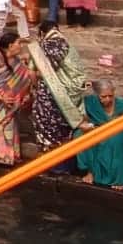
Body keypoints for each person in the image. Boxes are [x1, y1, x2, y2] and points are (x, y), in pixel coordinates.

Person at [26, 21, 87, 165]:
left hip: (51, 92)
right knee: (64, 127)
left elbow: (32, 74)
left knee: (46, 122)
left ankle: (50, 161)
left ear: (41, 33)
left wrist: (35, 88)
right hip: (73, 90)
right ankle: (65, 162)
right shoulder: (67, 44)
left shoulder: (42, 47)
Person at [0, 32, 33, 165]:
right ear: (10, 45)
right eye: (18, 43)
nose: (20, 46)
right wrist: (1, 97)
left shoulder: (13, 58)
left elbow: (24, 72)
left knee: (7, 125)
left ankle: (6, 156)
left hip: (9, 99)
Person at [77, 80, 123, 189]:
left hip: (118, 131)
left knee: (115, 140)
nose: (107, 99)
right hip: (97, 130)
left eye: (110, 96)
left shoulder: (122, 104)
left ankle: (119, 179)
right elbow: (80, 116)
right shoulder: (90, 102)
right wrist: (87, 125)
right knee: (82, 136)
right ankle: (91, 172)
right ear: (97, 95)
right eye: (103, 96)